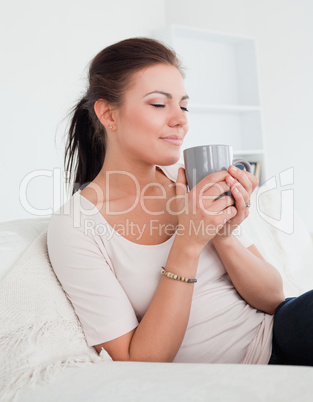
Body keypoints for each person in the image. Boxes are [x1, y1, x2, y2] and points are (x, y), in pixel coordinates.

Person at [47, 37, 312, 365]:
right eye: (159, 104)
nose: (181, 120)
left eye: (183, 106)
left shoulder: (189, 179)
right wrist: (188, 242)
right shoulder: (76, 226)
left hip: (284, 330)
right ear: (108, 114)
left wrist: (223, 235)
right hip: (246, 368)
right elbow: (139, 360)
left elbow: (274, 299)